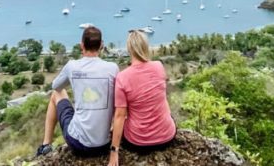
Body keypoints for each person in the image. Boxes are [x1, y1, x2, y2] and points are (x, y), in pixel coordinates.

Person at [36, 26, 119, 158]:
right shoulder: (112, 68)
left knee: (56, 94)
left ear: (82, 45)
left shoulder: (72, 66)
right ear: (101, 46)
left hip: (78, 144)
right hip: (104, 145)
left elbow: (56, 86)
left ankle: (46, 145)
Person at [107, 30, 176, 165]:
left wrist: (114, 152)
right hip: (166, 138)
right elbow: (161, 99)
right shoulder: (159, 66)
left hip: (138, 142)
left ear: (129, 49)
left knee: (126, 117)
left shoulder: (123, 77)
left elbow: (120, 116)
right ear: (146, 47)